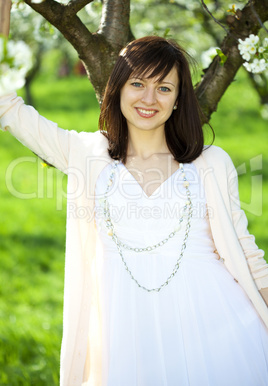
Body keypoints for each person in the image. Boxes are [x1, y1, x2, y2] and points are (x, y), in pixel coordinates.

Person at [1, 36, 268, 386]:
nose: (148, 99)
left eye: (164, 88)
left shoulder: (209, 163)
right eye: (137, 84)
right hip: (123, 331)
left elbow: (246, 252)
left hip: (211, 322)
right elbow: (6, 107)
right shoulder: (86, 153)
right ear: (118, 89)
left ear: (178, 99)